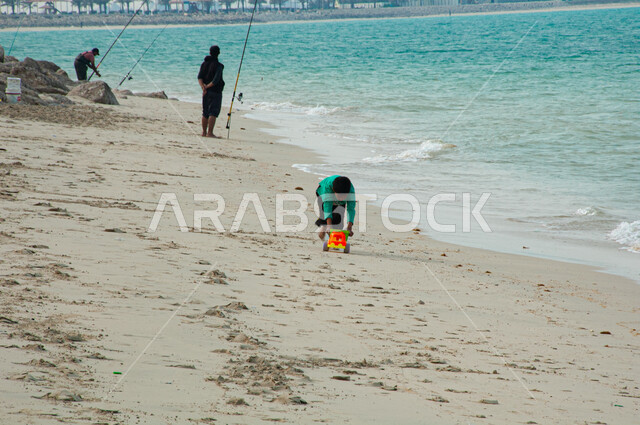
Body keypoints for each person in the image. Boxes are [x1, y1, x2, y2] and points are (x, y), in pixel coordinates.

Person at [315, 175, 356, 240]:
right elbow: (327, 206)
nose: (341, 199)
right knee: (325, 215)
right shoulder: (328, 188)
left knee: (338, 221)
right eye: (340, 196)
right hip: (322, 192)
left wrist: (349, 227)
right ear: (334, 191)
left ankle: (334, 240)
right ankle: (323, 225)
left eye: (344, 196)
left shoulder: (351, 192)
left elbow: (351, 209)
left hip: (338, 195)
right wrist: (328, 225)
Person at [197, 45, 225, 138]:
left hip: (205, 92)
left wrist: (203, 87)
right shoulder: (219, 66)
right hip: (215, 92)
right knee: (213, 112)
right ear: (219, 53)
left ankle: (204, 132)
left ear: (210, 52)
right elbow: (216, 80)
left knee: (205, 112)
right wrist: (207, 87)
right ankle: (210, 133)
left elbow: (199, 77)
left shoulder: (204, 64)